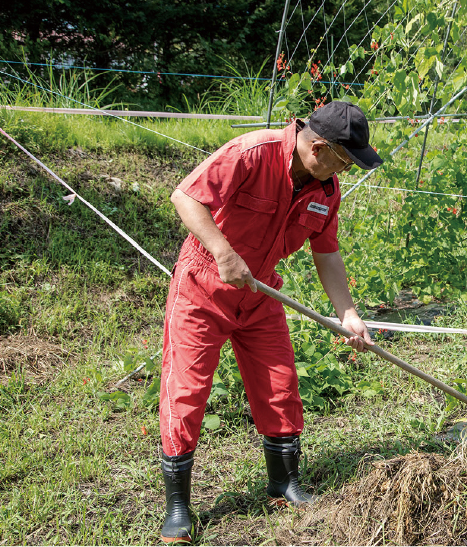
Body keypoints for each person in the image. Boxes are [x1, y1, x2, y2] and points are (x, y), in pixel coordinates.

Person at [158, 101, 382, 543]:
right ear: (318, 148)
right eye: (345, 160)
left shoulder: (326, 190)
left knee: (280, 384)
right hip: (204, 284)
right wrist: (223, 252)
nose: (348, 171)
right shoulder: (251, 153)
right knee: (187, 391)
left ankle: (282, 483)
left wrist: (348, 314)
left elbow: (327, 251)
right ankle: (179, 506)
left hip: (260, 292)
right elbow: (185, 196)